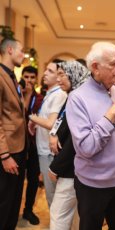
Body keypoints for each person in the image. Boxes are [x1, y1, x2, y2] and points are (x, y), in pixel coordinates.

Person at [66, 41, 115, 230]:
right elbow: (86, 148)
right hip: (93, 186)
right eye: (114, 64)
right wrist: (111, 114)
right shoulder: (77, 98)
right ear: (95, 67)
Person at [48, 60, 90, 230]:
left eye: (62, 75)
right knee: (75, 217)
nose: (58, 80)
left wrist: (55, 167)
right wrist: (54, 134)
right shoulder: (73, 95)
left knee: (59, 215)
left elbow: (75, 141)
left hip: (70, 169)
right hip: (72, 168)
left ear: (74, 75)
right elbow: (61, 122)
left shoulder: (79, 99)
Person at [28, 59, 67, 208]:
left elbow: (51, 123)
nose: (44, 73)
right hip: (44, 150)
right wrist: (36, 123)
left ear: (59, 76)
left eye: (50, 71)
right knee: (52, 196)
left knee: (53, 199)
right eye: (46, 70)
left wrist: (32, 118)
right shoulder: (51, 93)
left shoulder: (59, 95)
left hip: (49, 153)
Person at [0, 38, 27, 230]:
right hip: (7, 150)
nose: (24, 55)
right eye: (21, 51)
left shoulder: (12, 76)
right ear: (9, 50)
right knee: (4, 202)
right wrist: (4, 154)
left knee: (14, 201)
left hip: (19, 146)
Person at [20, 66, 43, 225]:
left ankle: (28, 210)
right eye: (26, 77)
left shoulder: (41, 98)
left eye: (32, 77)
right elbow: (20, 117)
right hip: (17, 145)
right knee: (15, 180)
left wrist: (29, 95)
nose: (29, 80)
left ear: (36, 79)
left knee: (33, 180)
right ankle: (13, 209)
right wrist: (25, 95)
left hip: (34, 145)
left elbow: (31, 116)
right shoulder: (16, 94)